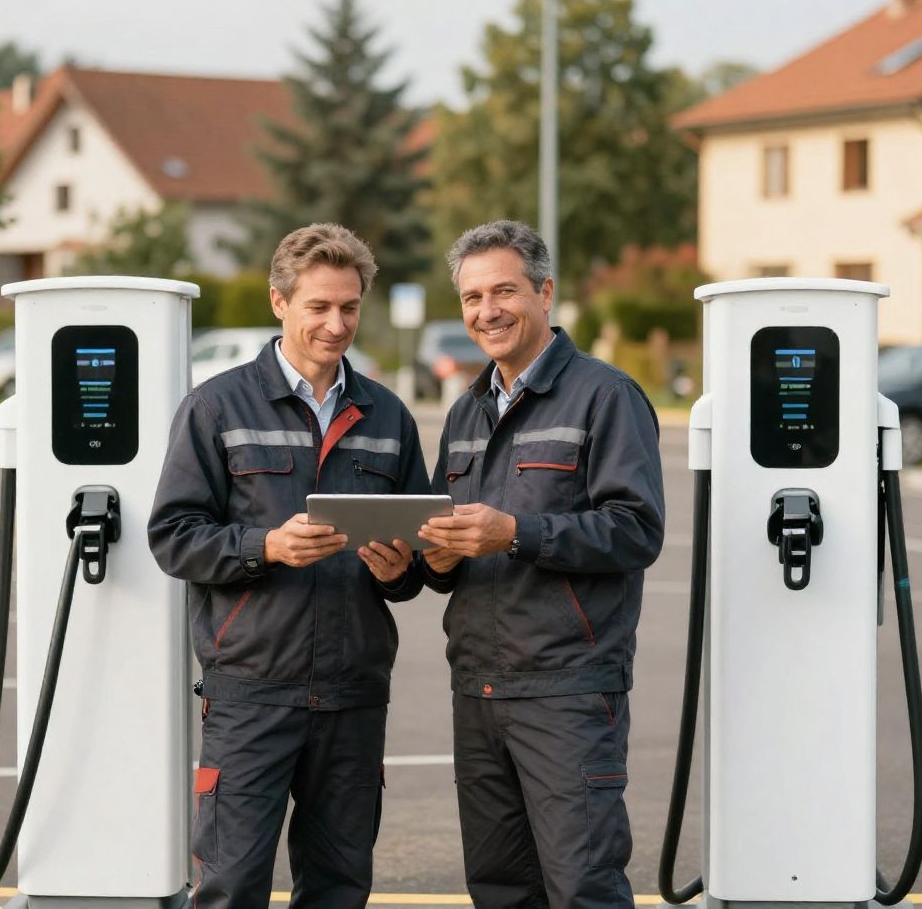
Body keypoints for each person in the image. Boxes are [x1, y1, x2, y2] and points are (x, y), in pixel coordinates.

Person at [149, 223, 430, 909]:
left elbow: (418, 561)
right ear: (279, 303)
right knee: (230, 886)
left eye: (350, 308)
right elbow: (173, 537)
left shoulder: (388, 417)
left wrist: (399, 569)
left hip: (353, 693)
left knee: (338, 888)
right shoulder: (216, 407)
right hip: (251, 692)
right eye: (319, 307)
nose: (337, 325)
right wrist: (264, 547)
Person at [418, 220, 665, 908]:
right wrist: (424, 560)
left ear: (545, 292)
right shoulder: (467, 412)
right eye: (471, 297)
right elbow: (453, 544)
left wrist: (517, 533)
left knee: (582, 885)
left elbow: (636, 530)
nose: (486, 311)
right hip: (478, 684)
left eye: (504, 291)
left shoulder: (604, 396)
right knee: (499, 888)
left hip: (568, 686)